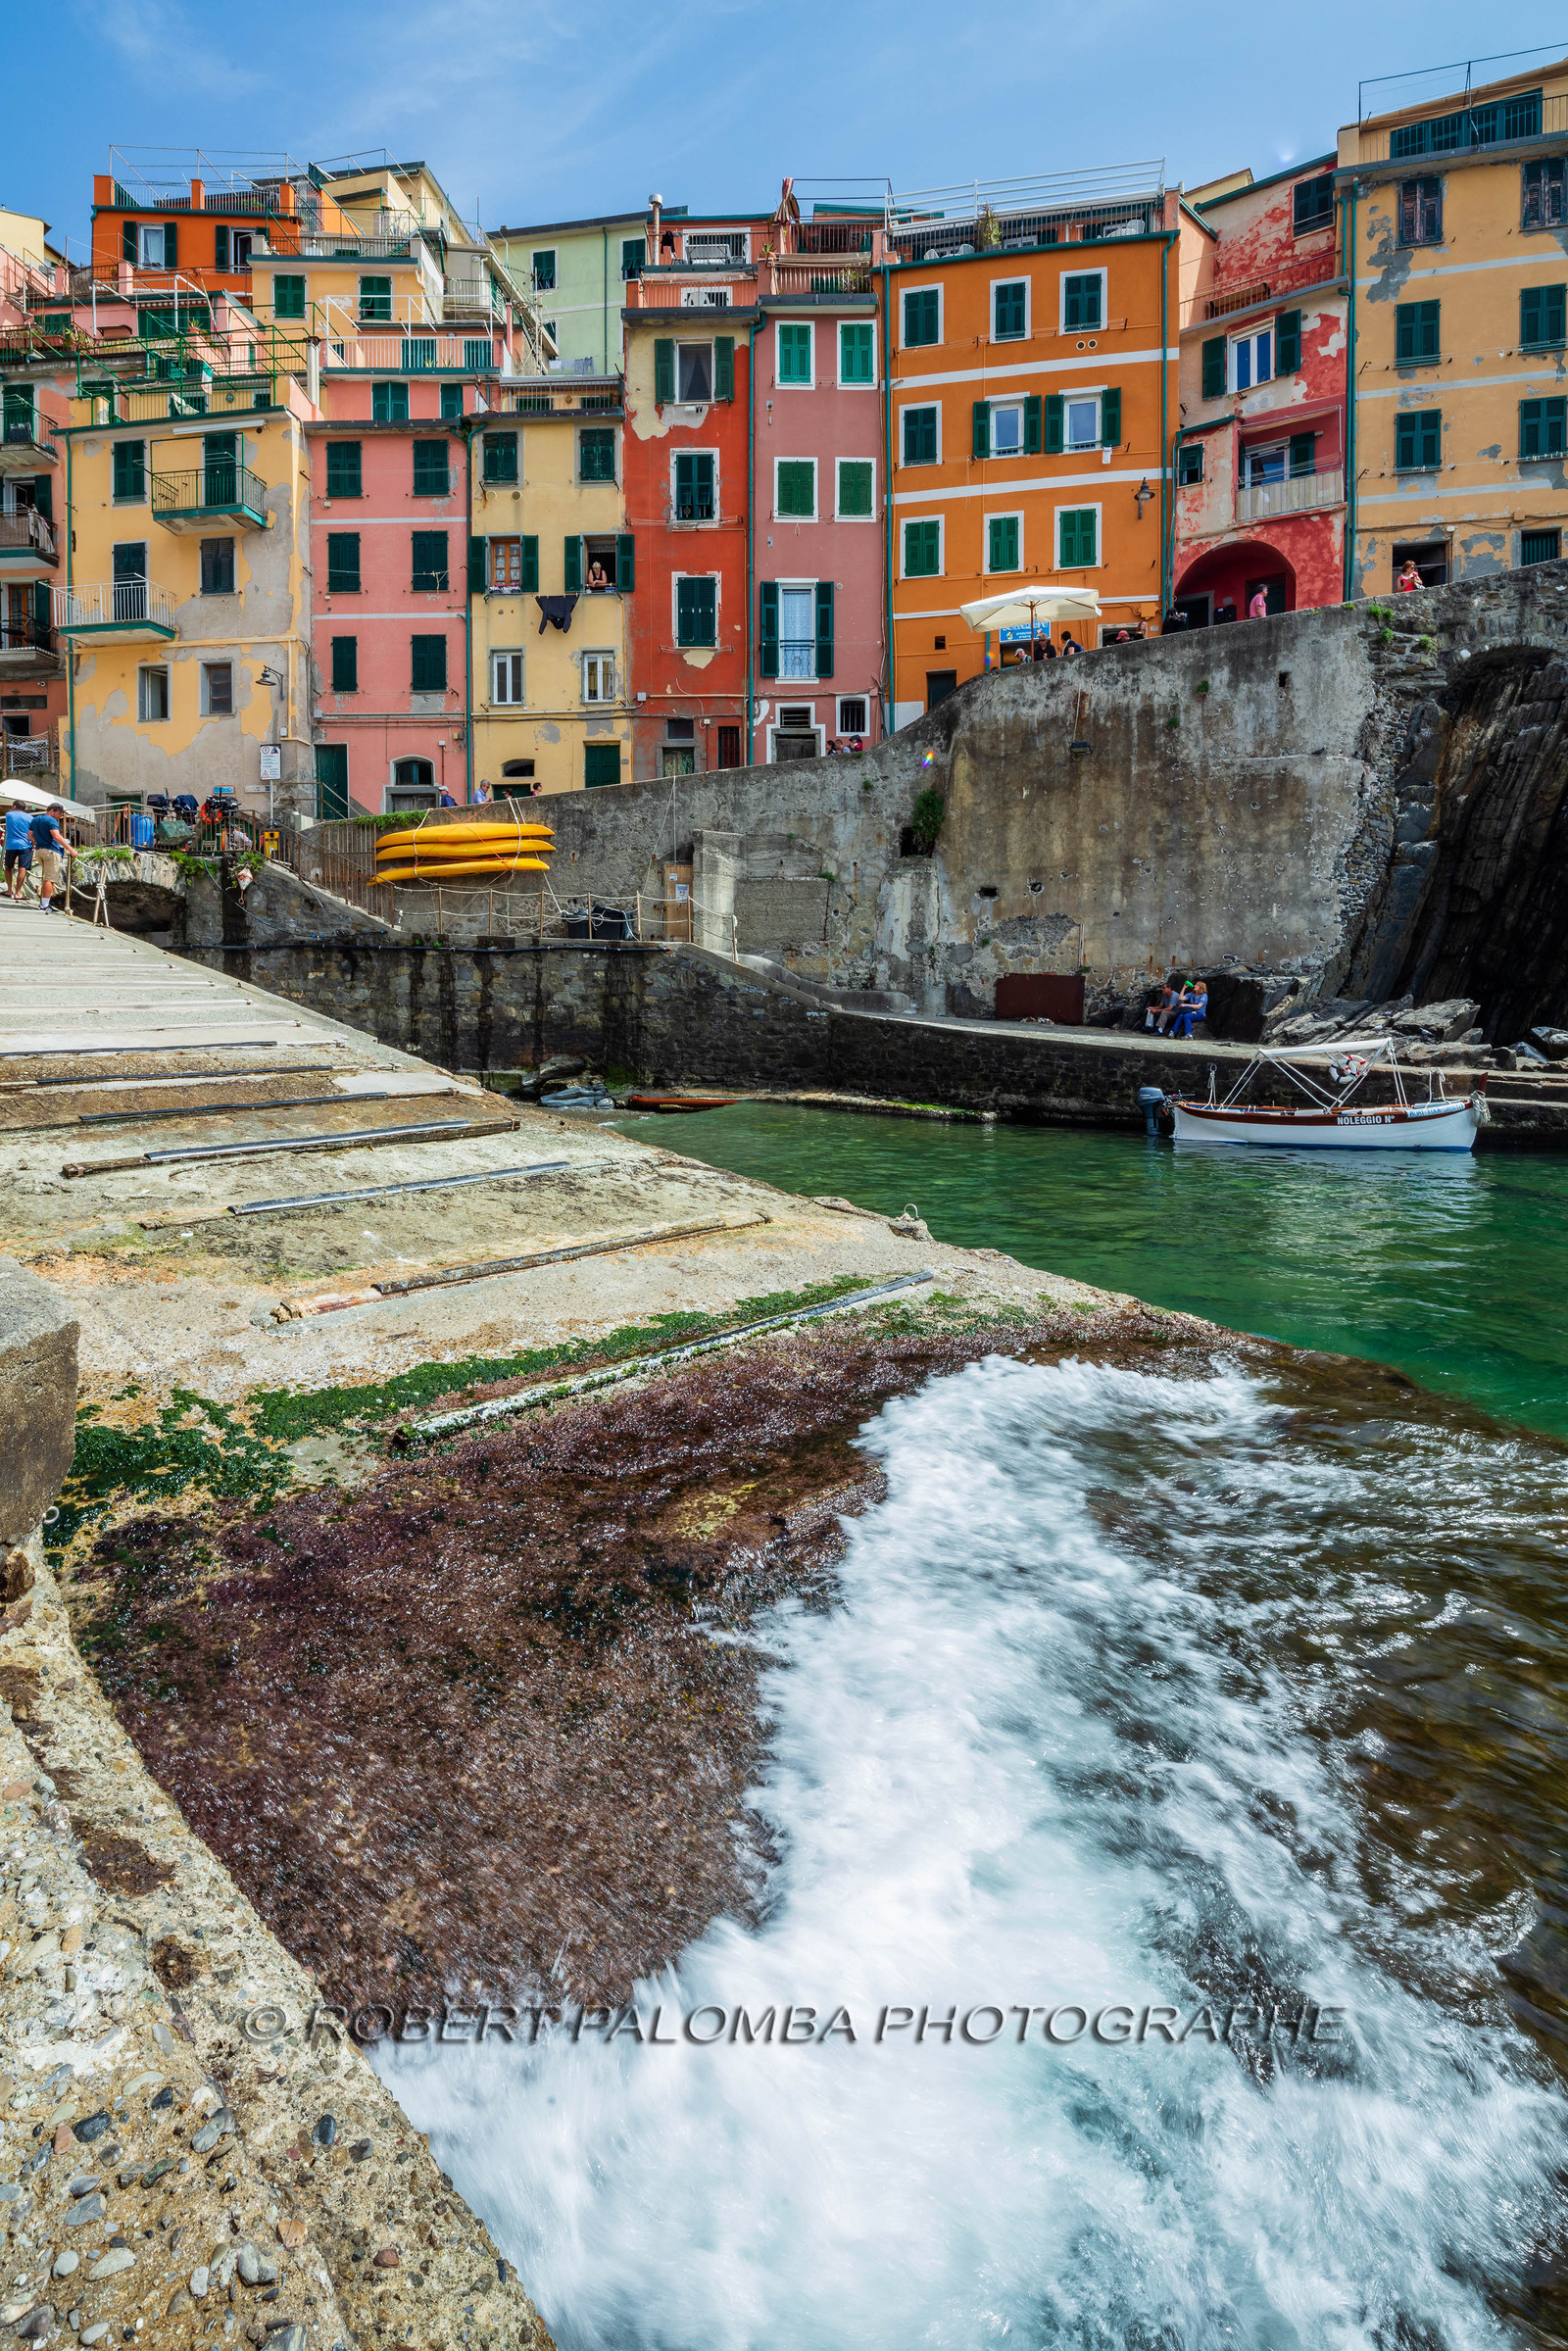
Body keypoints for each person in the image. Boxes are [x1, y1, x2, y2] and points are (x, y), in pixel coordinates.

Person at [29, 803, 68, 915]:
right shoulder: (51, 821)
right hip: (51, 851)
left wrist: (37, 842)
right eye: (59, 813)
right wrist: (70, 849)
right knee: (50, 879)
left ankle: (43, 903)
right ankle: (44, 905)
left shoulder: (35, 820)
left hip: (39, 851)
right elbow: (56, 836)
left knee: (47, 877)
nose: (59, 816)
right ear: (52, 810)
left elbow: (29, 835)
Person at [4, 802, 33, 902]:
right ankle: (18, 893)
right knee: (22, 868)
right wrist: (34, 842)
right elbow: (31, 832)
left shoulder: (9, 815)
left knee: (8, 867)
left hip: (11, 844)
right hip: (25, 845)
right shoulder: (30, 818)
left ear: (14, 807)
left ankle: (9, 890)